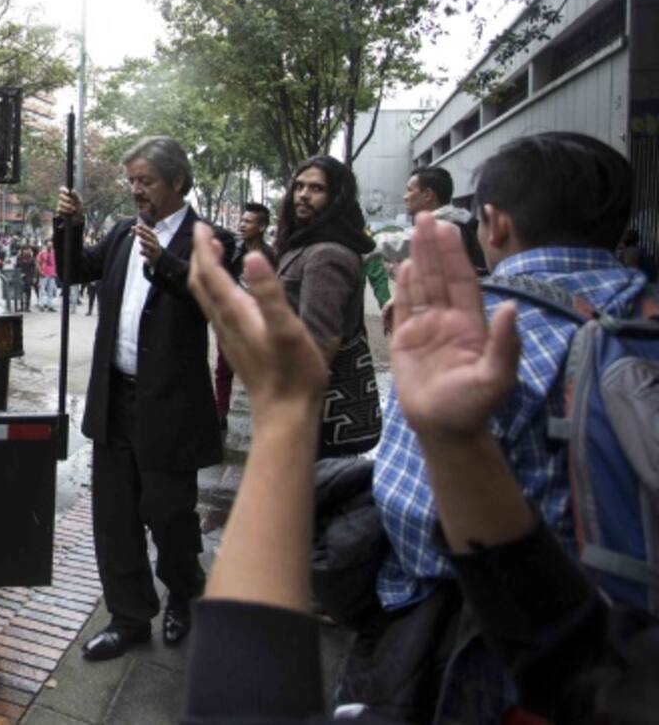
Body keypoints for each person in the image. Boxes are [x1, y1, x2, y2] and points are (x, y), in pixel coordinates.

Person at [180, 215, 659, 724]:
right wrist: (458, 443)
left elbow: (243, 708)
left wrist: (283, 414)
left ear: (493, 222)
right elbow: (575, 655)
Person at [360, 132, 648, 721]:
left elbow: (415, 526)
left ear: (492, 224)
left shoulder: (472, 333)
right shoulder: (644, 314)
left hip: (499, 665)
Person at [54, 136, 223, 661]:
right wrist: (70, 224)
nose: (136, 190)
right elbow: (72, 270)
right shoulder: (125, 232)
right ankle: (129, 618)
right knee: (115, 518)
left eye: (145, 180)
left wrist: (168, 265)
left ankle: (183, 593)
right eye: (132, 181)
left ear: (177, 182)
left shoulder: (206, 239)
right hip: (115, 401)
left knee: (171, 517)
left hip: (170, 408)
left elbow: (217, 301)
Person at [275, 157, 380, 456]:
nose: (303, 194)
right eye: (299, 186)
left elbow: (321, 342)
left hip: (312, 409)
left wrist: (292, 410)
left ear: (337, 198)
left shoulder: (327, 254)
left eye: (316, 188)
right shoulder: (307, 242)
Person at [372, 165, 484, 332]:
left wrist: (357, 243)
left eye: (409, 190)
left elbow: (391, 243)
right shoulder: (459, 223)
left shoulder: (444, 228)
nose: (404, 197)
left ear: (428, 195)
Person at [214, 203, 276, 428]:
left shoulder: (272, 256)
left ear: (261, 227)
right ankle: (220, 416)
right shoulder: (233, 250)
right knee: (224, 369)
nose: (242, 225)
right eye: (241, 220)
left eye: (247, 222)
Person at [37, 240, 58, 311]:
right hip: (44, 273)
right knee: (42, 290)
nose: (50, 247)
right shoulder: (42, 253)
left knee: (51, 290)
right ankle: (41, 305)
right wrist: (40, 271)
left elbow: (57, 263)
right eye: (49, 245)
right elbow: (38, 263)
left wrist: (55, 273)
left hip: (52, 274)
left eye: (51, 245)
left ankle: (50, 305)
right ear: (46, 245)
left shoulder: (54, 253)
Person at [17, 244, 37, 312]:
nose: (26, 251)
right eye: (25, 249)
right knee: (21, 291)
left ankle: (27, 307)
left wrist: (34, 277)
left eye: (28, 249)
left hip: (29, 276)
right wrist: (19, 273)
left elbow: (34, 268)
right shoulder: (19, 258)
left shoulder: (31, 258)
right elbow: (17, 266)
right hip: (21, 276)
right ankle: (21, 306)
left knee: (28, 291)